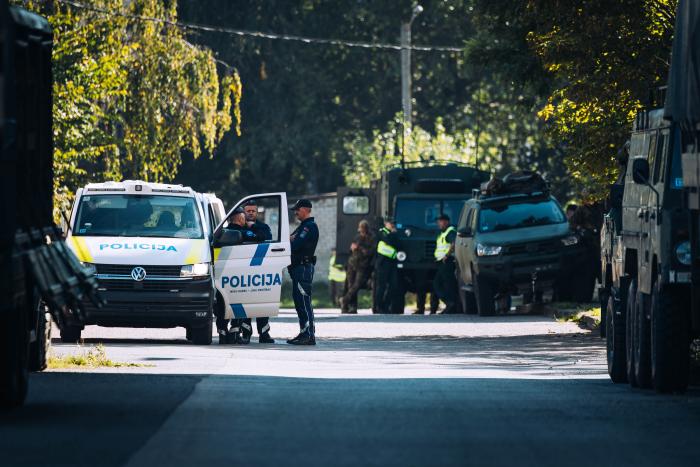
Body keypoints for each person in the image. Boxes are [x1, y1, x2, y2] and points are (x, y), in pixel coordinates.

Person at [235, 200, 275, 345]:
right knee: (245, 302)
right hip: (243, 269)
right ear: (243, 212)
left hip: (261, 269)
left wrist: (253, 229)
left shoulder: (263, 227)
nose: (250, 213)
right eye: (248, 210)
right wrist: (251, 232)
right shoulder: (238, 227)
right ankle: (246, 333)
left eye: (253, 211)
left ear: (257, 212)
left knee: (262, 301)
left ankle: (264, 333)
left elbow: (266, 237)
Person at [287, 199, 319, 345]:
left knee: (304, 302)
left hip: (303, 269)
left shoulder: (309, 227)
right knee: (299, 302)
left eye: (297, 209)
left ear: (306, 209)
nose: (295, 212)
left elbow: (295, 244)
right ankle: (303, 332)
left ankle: (309, 335)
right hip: (298, 268)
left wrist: (290, 240)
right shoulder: (302, 226)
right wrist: (290, 239)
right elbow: (288, 241)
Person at [340, 219, 375, 314]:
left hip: (363, 265)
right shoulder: (357, 237)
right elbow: (351, 250)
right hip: (352, 264)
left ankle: (345, 300)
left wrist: (359, 247)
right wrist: (352, 248)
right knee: (350, 285)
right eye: (360, 229)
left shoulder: (372, 238)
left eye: (363, 229)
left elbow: (370, 252)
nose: (361, 231)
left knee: (357, 285)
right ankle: (352, 307)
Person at [432, 214, 459, 314]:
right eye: (438, 221)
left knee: (441, 284)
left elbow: (454, 243)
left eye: (441, 221)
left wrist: (447, 255)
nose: (439, 223)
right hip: (442, 262)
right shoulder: (443, 233)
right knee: (444, 284)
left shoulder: (450, 231)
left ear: (446, 221)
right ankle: (450, 305)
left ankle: (450, 303)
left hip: (447, 262)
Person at [374, 219, 401, 314]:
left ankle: (385, 305)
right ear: (386, 223)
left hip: (392, 263)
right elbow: (389, 241)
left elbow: (398, 245)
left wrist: (394, 235)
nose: (392, 225)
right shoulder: (382, 232)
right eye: (390, 223)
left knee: (394, 285)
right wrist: (394, 235)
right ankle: (379, 307)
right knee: (381, 286)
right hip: (382, 263)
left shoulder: (393, 234)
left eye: (393, 223)